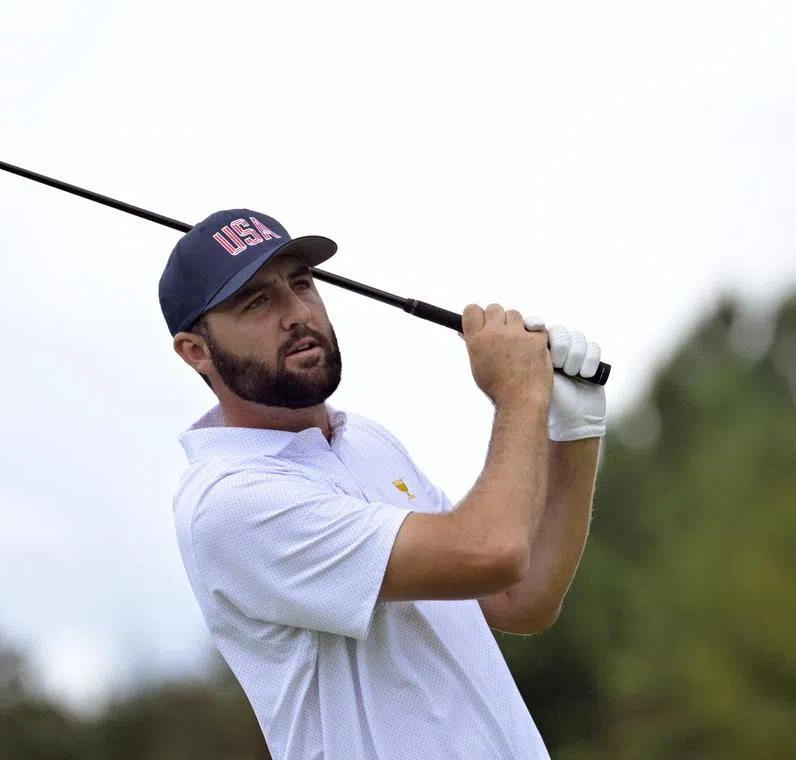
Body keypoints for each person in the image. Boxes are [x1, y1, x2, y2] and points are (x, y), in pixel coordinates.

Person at [158, 209, 607, 760]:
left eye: (301, 284)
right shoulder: (229, 501)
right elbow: (492, 552)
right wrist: (520, 395)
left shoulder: (366, 442)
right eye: (257, 302)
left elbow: (520, 600)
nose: (297, 313)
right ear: (196, 351)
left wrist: (574, 435)